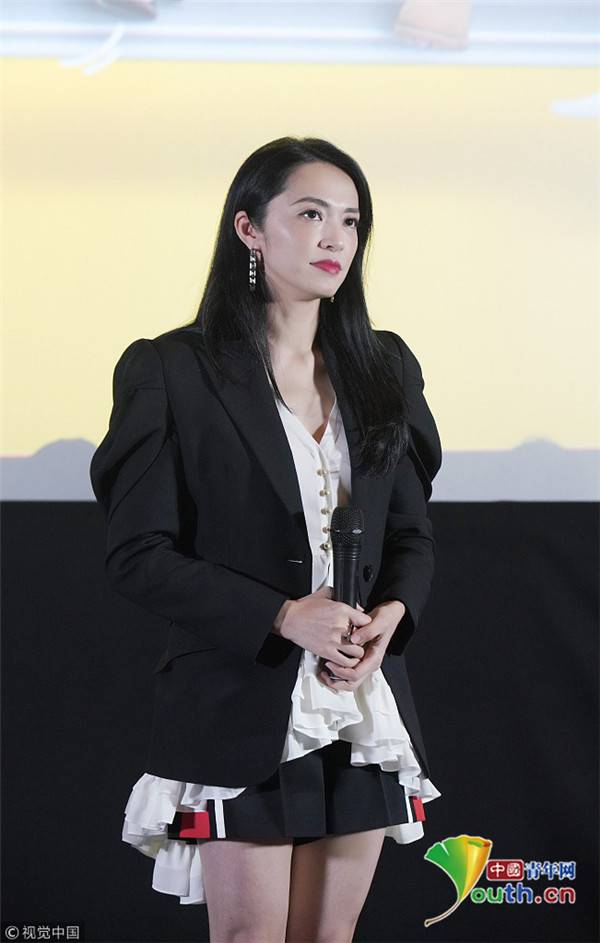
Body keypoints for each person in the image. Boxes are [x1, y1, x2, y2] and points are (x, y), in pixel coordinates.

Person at [91, 136, 442, 943]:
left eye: (350, 220)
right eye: (311, 214)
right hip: (237, 700)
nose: (335, 238)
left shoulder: (385, 366)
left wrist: (393, 614)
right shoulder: (172, 369)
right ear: (249, 228)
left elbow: (412, 532)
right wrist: (283, 616)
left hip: (359, 702)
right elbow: (137, 554)